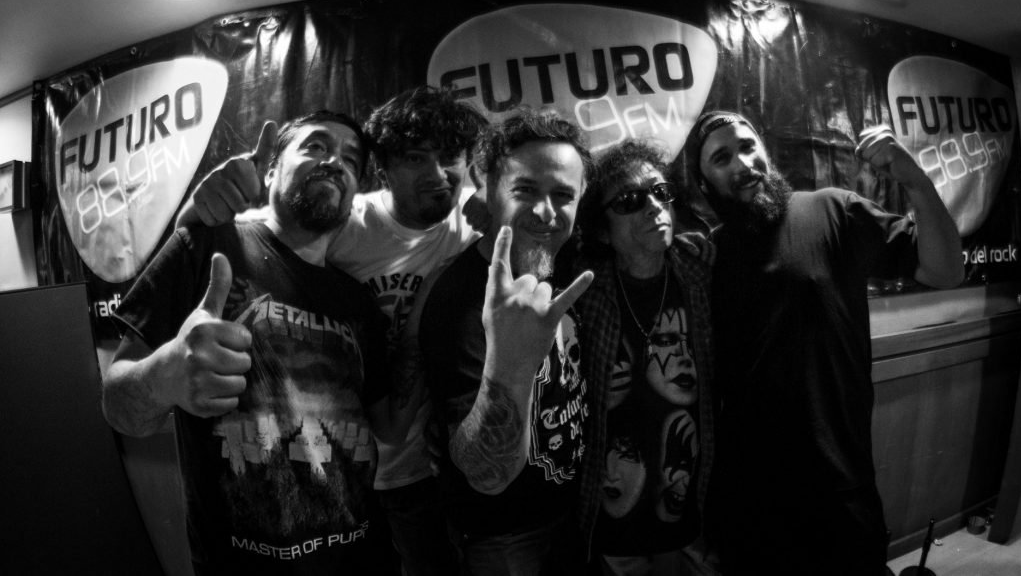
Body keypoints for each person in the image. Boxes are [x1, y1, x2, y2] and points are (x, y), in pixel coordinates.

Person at [177, 86, 487, 575]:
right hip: (342, 468)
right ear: (383, 170)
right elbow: (233, 237)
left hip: (429, 462)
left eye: (450, 157)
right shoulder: (346, 220)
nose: (437, 173)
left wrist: (499, 199)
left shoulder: (476, 223)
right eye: (415, 158)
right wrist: (197, 209)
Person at [102, 111, 415, 574]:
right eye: (315, 146)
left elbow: (389, 426)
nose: (335, 161)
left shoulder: (359, 303)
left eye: (351, 160)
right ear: (271, 169)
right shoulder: (206, 247)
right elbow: (116, 405)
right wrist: (163, 378)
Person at [681, 111, 964, 576]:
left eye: (748, 146)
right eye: (722, 157)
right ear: (703, 183)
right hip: (750, 500)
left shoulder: (833, 211)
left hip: (839, 485)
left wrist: (915, 180)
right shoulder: (706, 257)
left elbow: (945, 271)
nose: (743, 163)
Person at [415, 110, 595, 575]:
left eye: (563, 195)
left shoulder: (559, 260)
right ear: (488, 193)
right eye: (525, 190)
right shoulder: (461, 300)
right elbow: (484, 474)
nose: (546, 211)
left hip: (571, 515)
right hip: (505, 541)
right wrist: (511, 363)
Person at [573, 138, 717, 575]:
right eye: (629, 201)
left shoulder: (698, 271)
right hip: (612, 501)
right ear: (602, 230)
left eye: (660, 192)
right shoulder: (585, 291)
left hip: (683, 495)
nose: (654, 206)